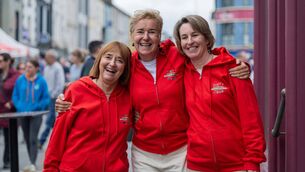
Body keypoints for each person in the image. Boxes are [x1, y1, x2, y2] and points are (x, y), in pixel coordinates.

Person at [55, 9, 250, 172]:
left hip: (181, 150)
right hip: (144, 153)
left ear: (159, 35)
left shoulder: (177, 56)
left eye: (152, 32)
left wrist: (236, 63)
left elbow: (201, 54)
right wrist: (71, 96)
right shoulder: (127, 65)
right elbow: (103, 82)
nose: (146, 37)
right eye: (140, 31)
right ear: (132, 35)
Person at [173, 15, 266, 172]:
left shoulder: (232, 69)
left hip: (237, 165)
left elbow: (251, 120)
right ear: (180, 44)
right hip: (197, 165)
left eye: (195, 35)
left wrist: (253, 161)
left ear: (207, 39)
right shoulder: (182, 72)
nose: (189, 41)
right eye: (184, 37)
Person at [43, 41, 132, 171]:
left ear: (125, 67)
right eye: (108, 57)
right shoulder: (77, 90)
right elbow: (57, 139)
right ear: (99, 60)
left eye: (120, 60)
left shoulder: (129, 97)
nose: (112, 63)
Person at [12, 59, 50, 172]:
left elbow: (46, 99)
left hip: (36, 115)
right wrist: (20, 107)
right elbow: (15, 96)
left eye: (30, 67)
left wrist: (37, 107)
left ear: (36, 68)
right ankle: (30, 161)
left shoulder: (41, 81)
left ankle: (33, 163)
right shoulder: (20, 80)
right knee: (27, 138)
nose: (27, 69)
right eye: (26, 67)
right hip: (23, 113)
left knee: (33, 138)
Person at [38, 49, 66, 149]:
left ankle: (41, 140)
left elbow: (60, 84)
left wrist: (54, 95)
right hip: (48, 97)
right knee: (53, 121)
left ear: (52, 57)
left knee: (50, 120)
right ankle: (58, 140)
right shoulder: (46, 68)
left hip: (54, 98)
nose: (45, 58)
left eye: (47, 57)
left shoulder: (58, 68)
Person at [0, 53, 20, 169]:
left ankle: (7, 160)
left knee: (9, 138)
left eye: (1, 60)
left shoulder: (16, 76)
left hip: (9, 111)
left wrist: (12, 103)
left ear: (8, 61)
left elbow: (19, 93)